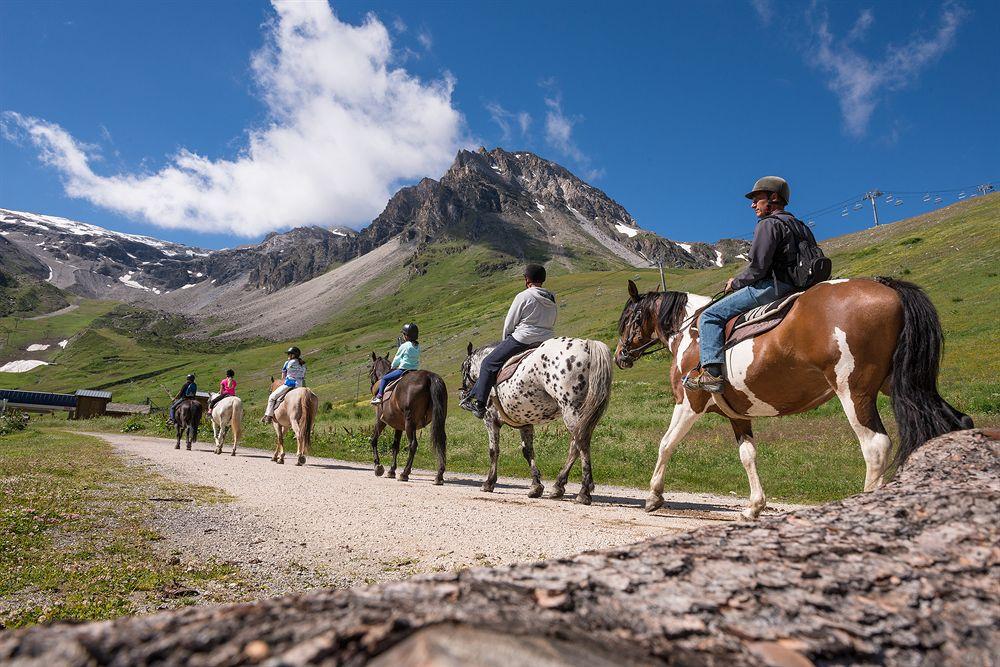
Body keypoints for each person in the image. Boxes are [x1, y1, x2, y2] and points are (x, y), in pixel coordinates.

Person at [684, 175, 818, 393]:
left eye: (757, 199)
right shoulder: (800, 225)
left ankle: (711, 374)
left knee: (709, 316)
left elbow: (758, 268)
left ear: (773, 198)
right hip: (799, 288)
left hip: (773, 288)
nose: (752, 204)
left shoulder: (769, 224)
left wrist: (735, 282)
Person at [460, 264, 557, 418]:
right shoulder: (551, 297)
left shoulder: (523, 296)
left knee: (488, 363)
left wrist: (505, 341)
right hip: (546, 341)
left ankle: (479, 404)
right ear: (543, 279)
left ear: (527, 279)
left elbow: (509, 323)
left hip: (523, 339)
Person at [371, 324, 420, 405]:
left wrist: (393, 367)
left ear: (406, 336)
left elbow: (396, 360)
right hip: (414, 370)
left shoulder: (404, 346)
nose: (403, 336)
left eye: (403, 334)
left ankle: (379, 397)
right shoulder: (417, 346)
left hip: (403, 370)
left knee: (385, 378)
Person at [262, 347, 306, 424]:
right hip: (300, 385)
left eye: (289, 354)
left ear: (292, 355)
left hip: (290, 384)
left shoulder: (287, 363)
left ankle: (268, 416)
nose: (288, 355)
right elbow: (303, 375)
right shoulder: (303, 364)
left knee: (272, 397)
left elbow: (283, 377)